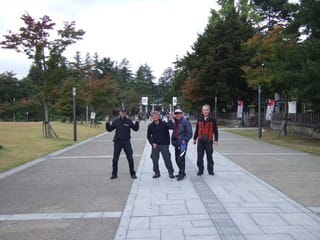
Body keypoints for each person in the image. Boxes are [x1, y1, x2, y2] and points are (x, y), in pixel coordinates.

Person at [105, 107, 139, 180]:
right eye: (121, 112)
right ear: (119, 113)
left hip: (126, 141)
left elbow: (135, 129)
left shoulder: (129, 121)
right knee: (115, 159)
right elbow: (109, 129)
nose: (123, 113)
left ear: (126, 113)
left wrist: (137, 122)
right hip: (118, 142)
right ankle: (114, 174)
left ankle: (132, 173)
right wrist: (107, 123)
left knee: (130, 158)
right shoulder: (116, 121)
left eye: (124, 112)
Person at [147, 111, 175, 179]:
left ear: (159, 116)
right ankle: (157, 172)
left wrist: (170, 119)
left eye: (156, 115)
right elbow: (148, 136)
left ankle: (170, 172)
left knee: (167, 159)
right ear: (151, 117)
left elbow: (171, 127)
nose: (155, 117)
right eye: (153, 116)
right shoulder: (150, 126)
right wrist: (152, 143)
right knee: (154, 159)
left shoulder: (164, 124)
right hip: (155, 145)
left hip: (164, 145)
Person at [193, 104, 218, 176]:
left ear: (209, 110)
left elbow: (215, 130)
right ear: (202, 111)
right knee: (200, 156)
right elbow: (197, 129)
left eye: (206, 110)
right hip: (200, 141)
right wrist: (195, 138)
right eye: (204, 110)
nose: (205, 111)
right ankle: (200, 170)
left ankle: (210, 170)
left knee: (209, 156)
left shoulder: (213, 119)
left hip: (209, 140)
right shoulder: (199, 119)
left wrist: (216, 139)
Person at [170, 108, 193, 181]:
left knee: (181, 158)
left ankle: (182, 173)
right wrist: (170, 119)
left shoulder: (185, 122)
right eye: (176, 113)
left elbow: (189, 133)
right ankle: (181, 171)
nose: (178, 115)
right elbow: (170, 127)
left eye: (179, 113)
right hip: (176, 142)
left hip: (183, 143)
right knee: (177, 158)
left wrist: (184, 140)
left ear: (182, 114)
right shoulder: (175, 121)